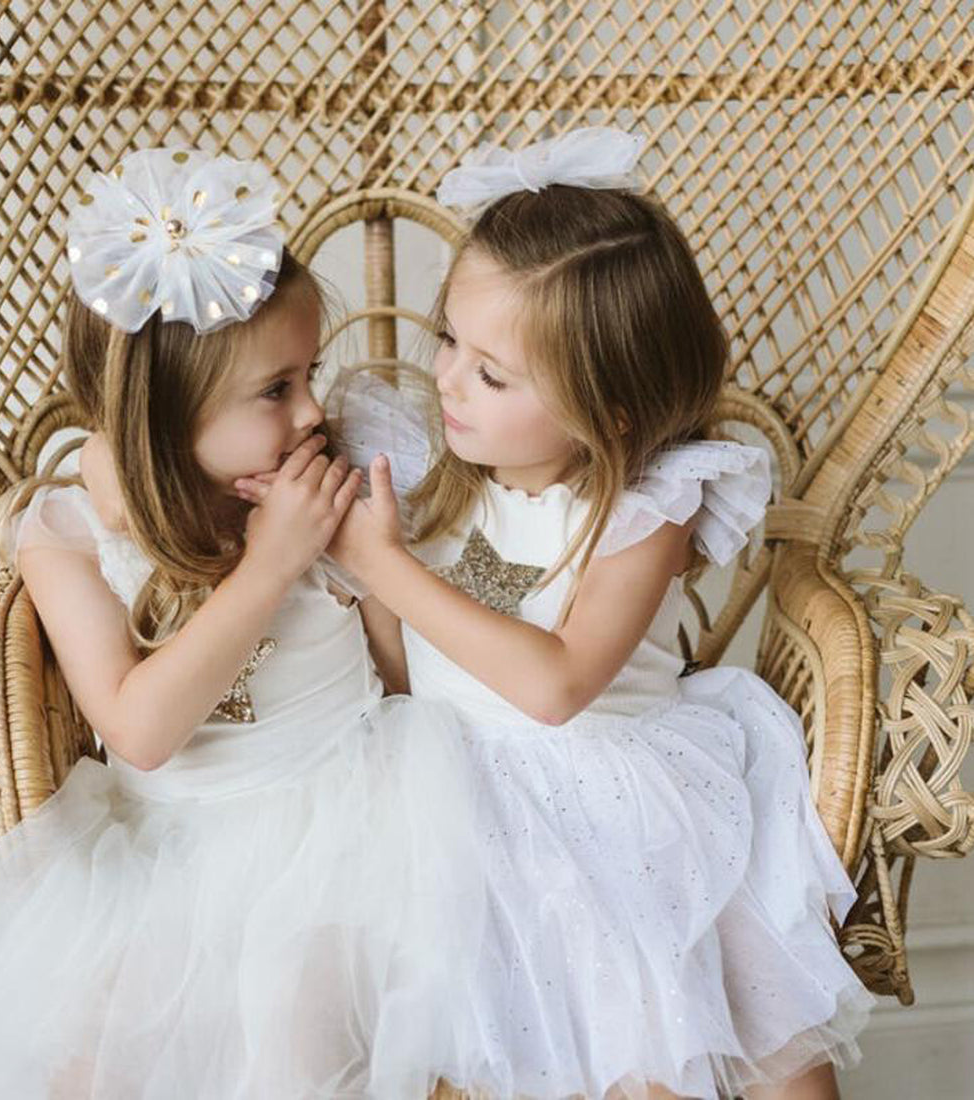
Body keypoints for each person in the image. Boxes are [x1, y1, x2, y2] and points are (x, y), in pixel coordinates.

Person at [242, 127, 876, 1100]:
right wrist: (355, 580)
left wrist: (385, 565)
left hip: (619, 784)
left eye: (491, 374)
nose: (447, 377)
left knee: (707, 1008)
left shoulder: (642, 508)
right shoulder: (431, 472)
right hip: (453, 781)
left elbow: (554, 683)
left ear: (608, 408)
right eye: (449, 336)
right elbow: (415, 675)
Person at [0, 146, 484, 1100]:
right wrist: (269, 565)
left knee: (303, 1036)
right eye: (276, 390)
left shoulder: (324, 479)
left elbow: (401, 682)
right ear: (160, 417)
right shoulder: (67, 533)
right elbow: (139, 732)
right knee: (90, 1051)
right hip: (168, 849)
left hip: (356, 814)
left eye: (311, 372)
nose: (314, 409)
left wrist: (364, 566)